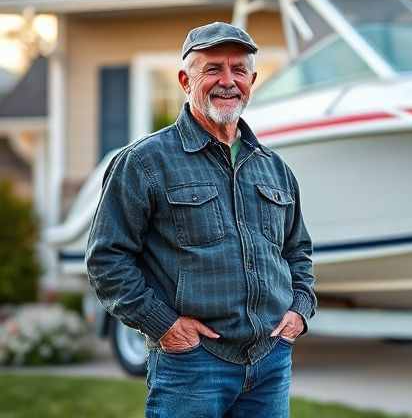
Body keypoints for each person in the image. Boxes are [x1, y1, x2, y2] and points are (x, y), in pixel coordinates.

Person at [86, 21, 316, 417]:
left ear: (252, 80)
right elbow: (107, 259)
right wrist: (163, 325)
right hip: (191, 365)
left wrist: (299, 310)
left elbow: (298, 253)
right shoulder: (144, 162)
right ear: (184, 79)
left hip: (269, 363)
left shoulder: (274, 168)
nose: (228, 81)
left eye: (238, 70)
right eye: (213, 69)